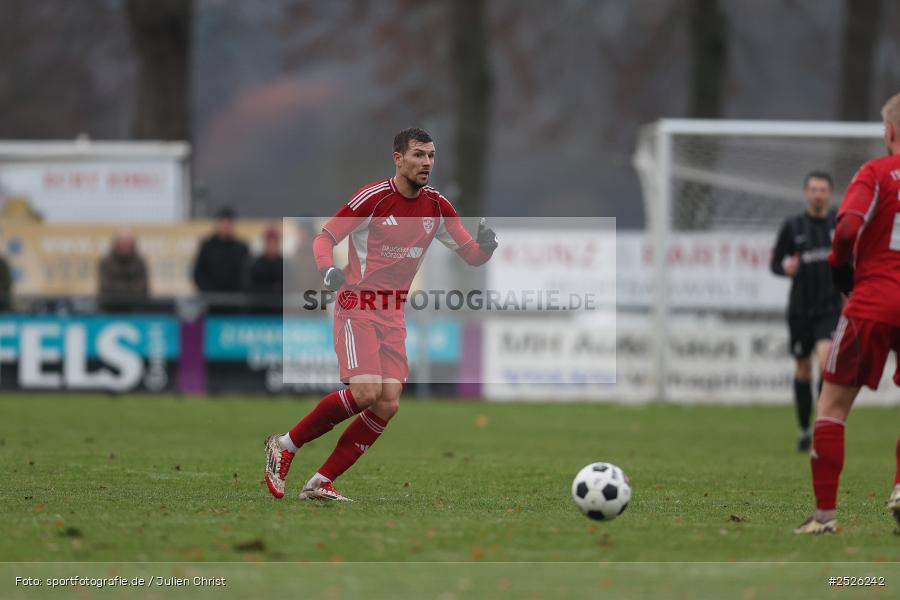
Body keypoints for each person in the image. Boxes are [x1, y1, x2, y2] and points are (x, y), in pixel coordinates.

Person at [263, 128, 498, 501]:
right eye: (419, 155)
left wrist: (486, 249)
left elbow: (470, 254)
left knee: (387, 402)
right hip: (357, 306)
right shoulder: (372, 198)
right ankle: (285, 445)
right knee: (366, 392)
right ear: (398, 158)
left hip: (393, 313)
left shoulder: (437, 207)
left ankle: (321, 481)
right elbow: (324, 237)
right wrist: (327, 269)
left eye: (431, 156)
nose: (426, 163)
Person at [794, 92, 900, 535]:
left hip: (873, 300)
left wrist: (841, 271)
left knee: (832, 407)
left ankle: (824, 517)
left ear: (890, 131)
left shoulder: (876, 172)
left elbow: (849, 226)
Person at [770, 171, 842, 451]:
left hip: (830, 309)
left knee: (826, 364)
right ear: (805, 193)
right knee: (803, 369)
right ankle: (803, 429)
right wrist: (785, 268)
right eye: (813, 189)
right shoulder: (793, 226)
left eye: (822, 189)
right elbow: (775, 263)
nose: (817, 194)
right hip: (800, 310)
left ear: (830, 193)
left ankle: (821, 427)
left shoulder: (840, 223)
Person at [192, 207, 250, 310]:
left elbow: (246, 275)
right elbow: (198, 273)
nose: (226, 226)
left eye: (229, 223)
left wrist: (236, 293)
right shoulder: (207, 247)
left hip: (235, 304)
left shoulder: (241, 248)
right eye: (223, 222)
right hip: (210, 303)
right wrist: (210, 293)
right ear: (218, 224)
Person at [98, 229, 149, 312]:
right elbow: (106, 289)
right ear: (116, 244)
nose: (125, 246)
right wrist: (128, 291)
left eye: (128, 244)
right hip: (110, 310)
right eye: (122, 243)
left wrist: (121, 291)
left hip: (136, 310)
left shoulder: (140, 263)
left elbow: (142, 290)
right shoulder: (106, 263)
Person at [245, 225, 283, 313]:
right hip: (259, 313)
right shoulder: (255, 265)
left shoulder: (285, 265)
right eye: (269, 241)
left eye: (274, 241)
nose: (272, 245)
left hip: (280, 313)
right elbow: (249, 287)